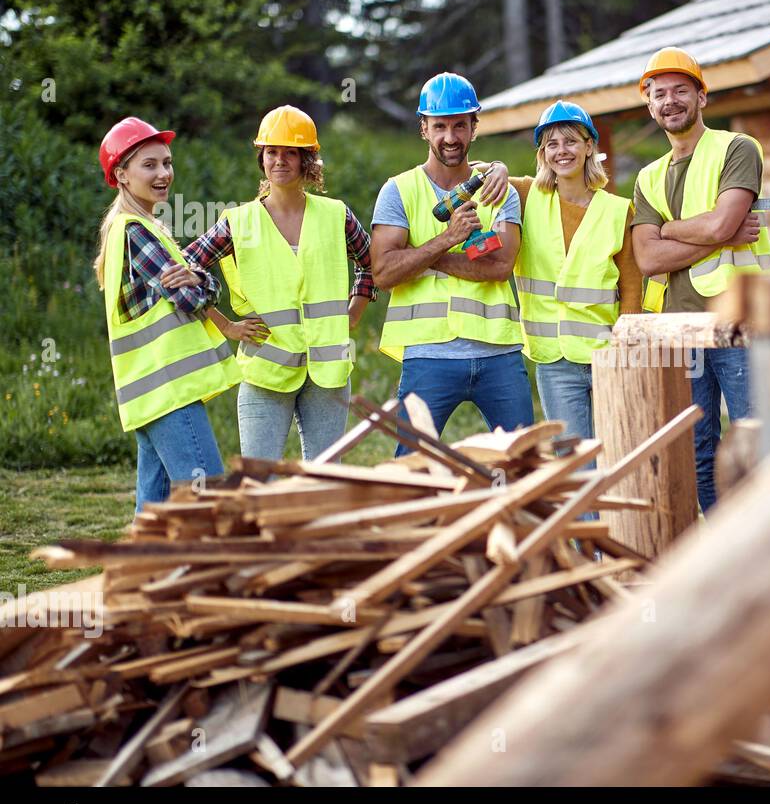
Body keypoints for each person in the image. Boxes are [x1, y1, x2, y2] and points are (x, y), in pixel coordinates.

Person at [184, 105, 375, 461]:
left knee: (323, 477)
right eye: (272, 152)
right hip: (265, 371)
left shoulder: (336, 214)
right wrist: (225, 325)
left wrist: (353, 314)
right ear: (262, 158)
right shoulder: (237, 222)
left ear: (307, 161)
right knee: (258, 477)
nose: (280, 161)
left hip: (328, 370)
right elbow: (184, 269)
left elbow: (372, 264)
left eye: (291, 153)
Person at [630, 47, 770, 513]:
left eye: (679, 91)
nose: (669, 101)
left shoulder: (737, 148)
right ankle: (720, 541)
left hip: (739, 322)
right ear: (650, 106)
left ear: (701, 97)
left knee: (757, 436)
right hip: (680, 328)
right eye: (659, 95)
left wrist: (672, 228)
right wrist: (718, 233)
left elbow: (718, 224)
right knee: (699, 446)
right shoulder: (648, 178)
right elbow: (648, 258)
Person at [370, 72, 531, 446]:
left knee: (526, 463)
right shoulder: (399, 191)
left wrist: (427, 256)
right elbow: (383, 272)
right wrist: (447, 239)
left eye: (460, 125)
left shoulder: (496, 188)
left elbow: (500, 267)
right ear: (423, 129)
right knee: (414, 468)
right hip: (428, 356)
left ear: (475, 127)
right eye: (439, 126)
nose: (450, 137)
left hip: (499, 354)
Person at [94, 117, 240, 510]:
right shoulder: (133, 230)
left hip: (150, 394)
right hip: (167, 391)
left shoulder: (142, 227)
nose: (164, 174)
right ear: (121, 175)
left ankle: (141, 573)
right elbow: (192, 298)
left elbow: (191, 287)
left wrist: (196, 279)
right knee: (208, 497)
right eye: (150, 165)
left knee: (154, 509)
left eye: (167, 163)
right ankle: (213, 571)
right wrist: (201, 281)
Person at [511, 100, 641, 445]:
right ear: (542, 154)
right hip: (555, 360)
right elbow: (479, 179)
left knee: (617, 450)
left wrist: (626, 346)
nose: (561, 151)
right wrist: (494, 167)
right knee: (574, 462)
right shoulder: (526, 195)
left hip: (608, 353)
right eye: (551, 144)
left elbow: (631, 284)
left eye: (570, 141)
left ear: (588, 147)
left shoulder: (617, 210)